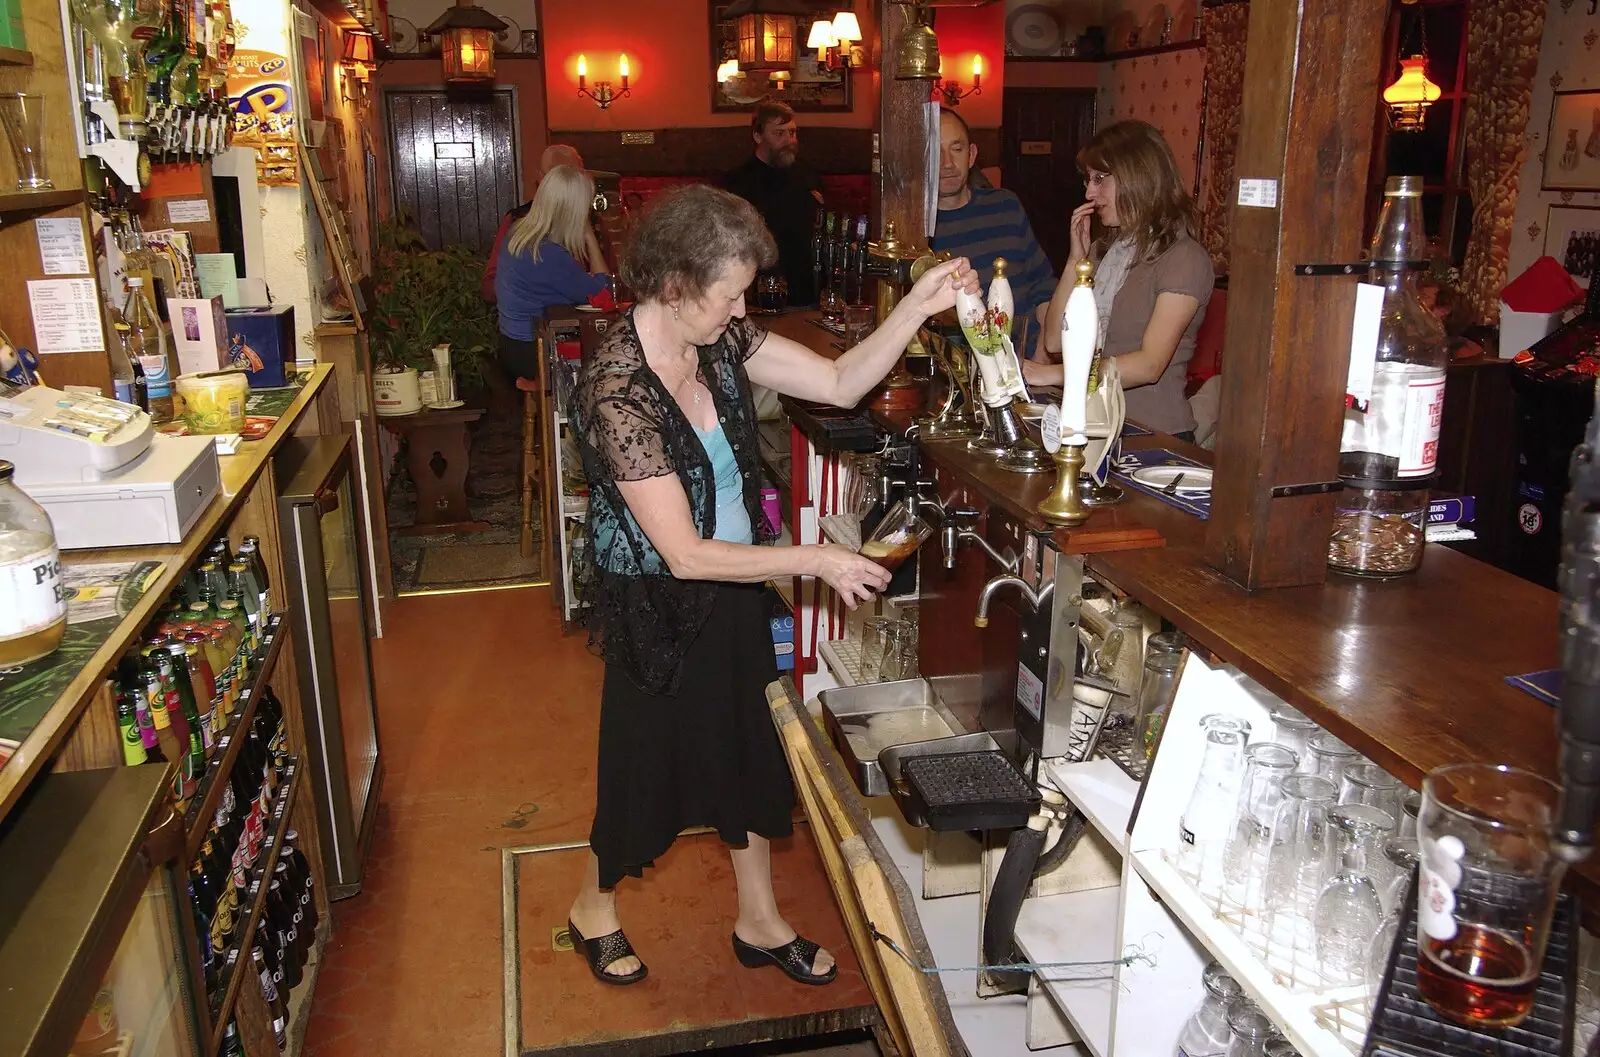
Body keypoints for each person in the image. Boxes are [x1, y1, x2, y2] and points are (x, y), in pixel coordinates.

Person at [566, 185, 976, 987]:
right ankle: (593, 906)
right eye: (731, 294)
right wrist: (812, 558)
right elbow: (683, 553)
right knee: (643, 769)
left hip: (737, 582)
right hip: (658, 600)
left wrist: (918, 307)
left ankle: (758, 918)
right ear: (678, 288)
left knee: (749, 754)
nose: (742, 308)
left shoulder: (717, 338)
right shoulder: (615, 389)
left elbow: (840, 382)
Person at [1026, 120, 1214, 440]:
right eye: (1088, 180)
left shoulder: (1185, 258)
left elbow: (1148, 365)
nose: (1089, 192)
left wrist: (1055, 375)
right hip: (1095, 426)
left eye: (1100, 179)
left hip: (1151, 435)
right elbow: (1056, 341)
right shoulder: (1105, 251)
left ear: (1137, 176)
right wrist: (1075, 261)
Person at [931, 107, 1055, 339]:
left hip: (1028, 357)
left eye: (957, 149)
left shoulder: (1006, 205)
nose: (947, 163)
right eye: (936, 152)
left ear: (971, 155)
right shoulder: (916, 230)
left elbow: (1043, 284)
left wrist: (1043, 352)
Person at [493, 165, 611, 381]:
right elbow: (604, 295)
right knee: (611, 365)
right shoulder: (546, 253)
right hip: (534, 352)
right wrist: (590, 237)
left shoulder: (520, 233)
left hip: (513, 345)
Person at [724, 99, 824, 305]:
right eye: (779, 133)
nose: (789, 140)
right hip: (760, 288)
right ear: (757, 135)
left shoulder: (807, 173)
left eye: (792, 132)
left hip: (805, 285)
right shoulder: (739, 182)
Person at [483, 143, 607, 301]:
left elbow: (613, 277)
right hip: (550, 320)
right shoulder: (519, 223)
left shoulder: (592, 222)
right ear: (542, 181)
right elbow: (490, 285)